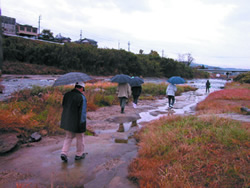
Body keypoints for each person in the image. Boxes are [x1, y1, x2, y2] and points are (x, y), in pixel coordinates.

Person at [60, 82, 87, 162]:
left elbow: (64, 106)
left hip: (67, 120)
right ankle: (79, 154)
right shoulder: (82, 97)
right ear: (82, 88)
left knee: (68, 137)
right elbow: (82, 112)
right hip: (77, 122)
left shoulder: (67, 94)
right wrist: (82, 124)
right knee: (80, 138)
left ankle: (64, 153)